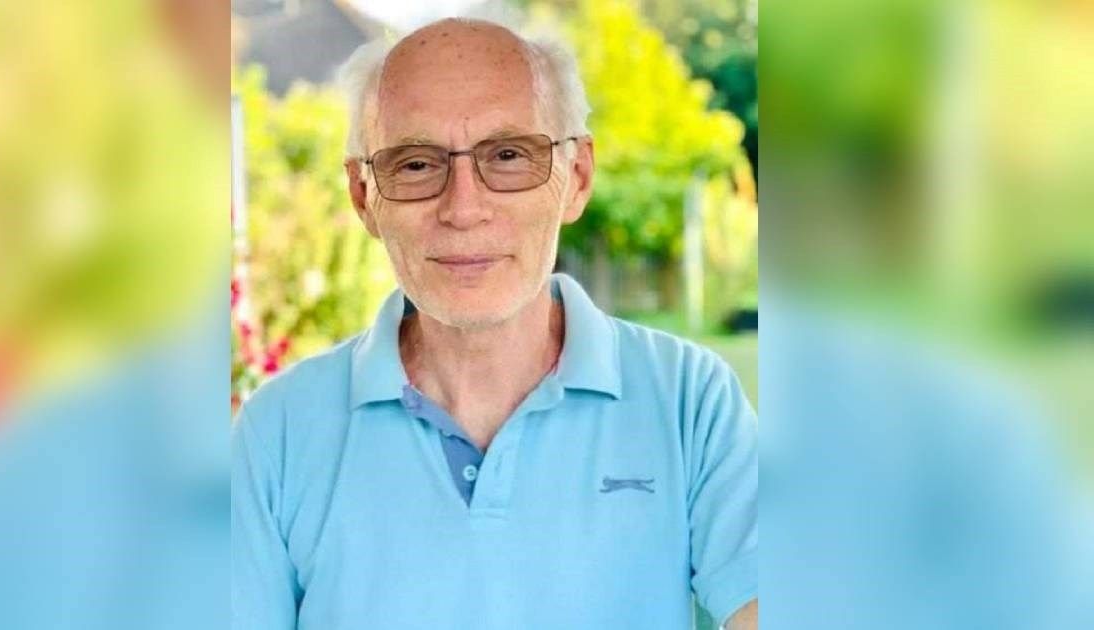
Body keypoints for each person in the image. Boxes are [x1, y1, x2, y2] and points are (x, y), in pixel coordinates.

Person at [232, 18, 757, 630]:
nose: (464, 208)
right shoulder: (277, 434)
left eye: (508, 156)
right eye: (416, 164)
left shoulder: (690, 402)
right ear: (362, 195)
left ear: (577, 178)